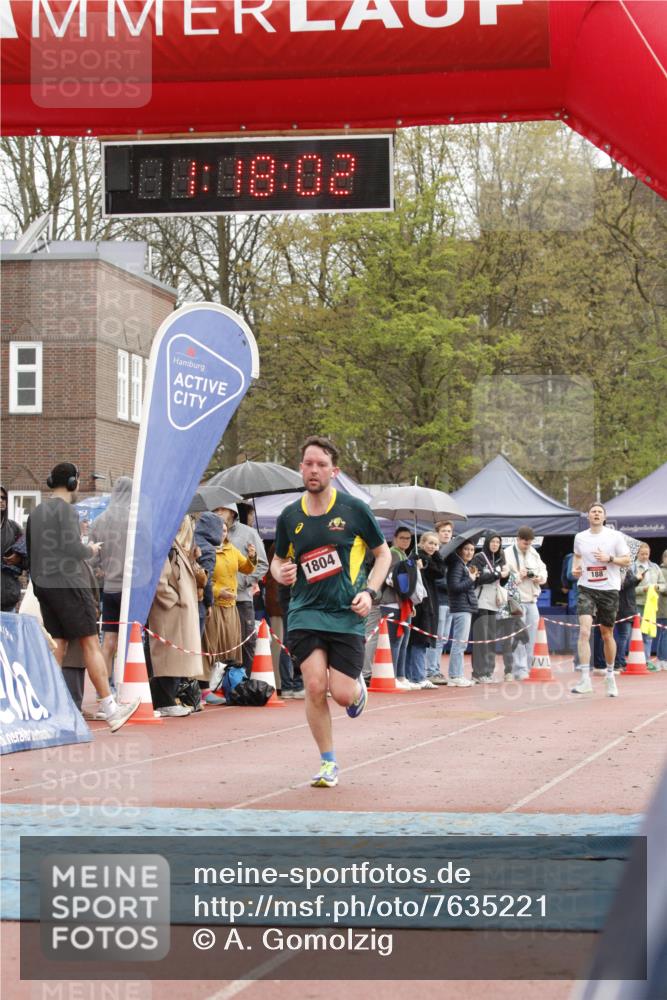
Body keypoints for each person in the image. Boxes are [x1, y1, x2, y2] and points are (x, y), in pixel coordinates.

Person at [271, 436, 391, 788]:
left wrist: (370, 592)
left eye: (321, 464)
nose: (313, 470)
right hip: (305, 611)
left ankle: (357, 691)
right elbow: (278, 561)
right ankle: (328, 762)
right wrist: (282, 572)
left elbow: (382, 554)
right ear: (300, 468)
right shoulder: (289, 516)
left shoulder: (354, 509)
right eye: (308, 463)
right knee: (312, 684)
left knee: (340, 693)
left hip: (346, 611)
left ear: (333, 471)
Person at [26, 462, 139, 732]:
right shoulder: (66, 511)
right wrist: (89, 548)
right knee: (90, 643)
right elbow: (72, 549)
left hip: (43, 585)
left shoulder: (36, 512)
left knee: (59, 646)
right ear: (74, 482)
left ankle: (50, 709)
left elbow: (32, 551)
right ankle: (111, 708)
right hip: (69, 585)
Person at [570, 502, 631, 697]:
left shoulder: (615, 536)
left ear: (604, 517)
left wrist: (609, 559)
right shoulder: (580, 537)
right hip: (586, 587)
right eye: (593, 512)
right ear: (588, 517)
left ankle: (610, 674)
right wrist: (575, 568)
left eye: (599, 512)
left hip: (609, 589)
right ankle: (585, 679)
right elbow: (577, 556)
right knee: (585, 631)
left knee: (606, 634)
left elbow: (627, 560)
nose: (596, 514)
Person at [147, 516, 203, 717]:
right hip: (171, 610)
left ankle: (167, 698)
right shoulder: (166, 544)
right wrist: (173, 599)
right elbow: (160, 580)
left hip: (178, 610)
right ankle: (164, 700)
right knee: (169, 656)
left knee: (176, 656)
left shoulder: (175, 544)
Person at [202, 518, 257, 703]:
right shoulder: (207, 551)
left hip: (231, 607)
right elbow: (204, 579)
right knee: (212, 646)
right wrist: (218, 592)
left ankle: (223, 685)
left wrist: (252, 556)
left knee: (230, 646)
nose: (223, 533)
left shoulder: (231, 549)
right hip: (214, 606)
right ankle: (205, 688)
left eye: (225, 530)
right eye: (220, 530)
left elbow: (247, 569)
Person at [89, 475, 132, 692]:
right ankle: (130, 686)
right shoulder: (135, 520)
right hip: (131, 588)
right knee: (132, 642)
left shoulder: (99, 521)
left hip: (110, 587)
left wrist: (101, 570)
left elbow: (92, 558)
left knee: (109, 641)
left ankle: (103, 690)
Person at [214, 503, 268, 676]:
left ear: (232, 512)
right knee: (221, 643)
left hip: (242, 599)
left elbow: (262, 564)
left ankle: (250, 683)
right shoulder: (209, 533)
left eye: (221, 509)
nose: (218, 512)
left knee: (247, 642)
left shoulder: (249, 533)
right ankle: (222, 686)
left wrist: (244, 581)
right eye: (215, 510)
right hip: (216, 600)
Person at [504, 526, 548, 680]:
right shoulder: (508, 553)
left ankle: (529, 666)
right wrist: (519, 575)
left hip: (531, 599)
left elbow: (543, 570)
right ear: (518, 539)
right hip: (516, 599)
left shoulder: (533, 552)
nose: (527, 546)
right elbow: (504, 579)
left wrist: (539, 577)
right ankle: (519, 669)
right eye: (524, 543)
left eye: (529, 543)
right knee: (518, 636)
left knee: (532, 635)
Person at [405, 531, 445, 690]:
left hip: (429, 604)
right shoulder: (415, 557)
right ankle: (417, 676)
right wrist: (418, 567)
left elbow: (440, 572)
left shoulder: (433, 558)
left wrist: (432, 560)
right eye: (430, 543)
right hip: (419, 604)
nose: (433, 547)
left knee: (419, 641)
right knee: (418, 641)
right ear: (421, 543)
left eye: (436, 544)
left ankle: (412, 675)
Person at [471, 532, 509, 682]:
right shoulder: (479, 558)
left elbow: (501, 581)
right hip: (480, 601)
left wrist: (505, 575)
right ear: (487, 543)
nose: (495, 544)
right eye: (492, 542)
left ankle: (488, 671)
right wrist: (498, 573)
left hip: (494, 602)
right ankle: (478, 673)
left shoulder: (500, 558)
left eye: (497, 542)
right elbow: (478, 578)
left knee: (491, 638)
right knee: (481, 637)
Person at [445, 539, 479, 687]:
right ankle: (455, 675)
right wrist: (470, 579)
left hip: (465, 606)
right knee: (459, 643)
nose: (469, 552)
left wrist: (471, 578)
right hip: (461, 608)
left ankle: (457, 674)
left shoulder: (463, 565)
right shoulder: (458, 565)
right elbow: (454, 587)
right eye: (466, 549)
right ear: (460, 550)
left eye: (472, 550)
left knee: (461, 643)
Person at [427, 520, 453, 684]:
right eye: (443, 531)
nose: (446, 534)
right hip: (438, 601)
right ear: (437, 533)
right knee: (436, 638)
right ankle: (431, 670)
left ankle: (435, 669)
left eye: (449, 531)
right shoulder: (434, 553)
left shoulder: (453, 553)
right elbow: (434, 578)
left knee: (443, 639)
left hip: (451, 601)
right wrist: (451, 584)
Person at [634, 542, 664, 666]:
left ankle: (646, 660)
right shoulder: (632, 567)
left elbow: (663, 584)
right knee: (638, 633)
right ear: (637, 554)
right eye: (642, 554)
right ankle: (637, 660)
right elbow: (629, 588)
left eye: (647, 554)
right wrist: (643, 589)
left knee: (649, 633)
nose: (645, 556)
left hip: (651, 605)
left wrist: (657, 587)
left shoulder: (655, 567)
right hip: (638, 604)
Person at [1, 485, 26, 612]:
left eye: (3, 498)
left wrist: (19, 558)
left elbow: (28, 559)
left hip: (8, 597)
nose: (1, 501)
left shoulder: (14, 528)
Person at [657, 550, 667, 671]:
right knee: (664, 635)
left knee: (664, 634)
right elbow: (662, 589)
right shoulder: (662, 571)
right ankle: (663, 660)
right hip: (664, 609)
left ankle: (662, 659)